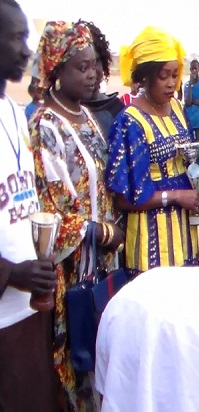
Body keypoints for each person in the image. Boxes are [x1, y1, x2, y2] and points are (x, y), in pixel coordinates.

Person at [30, 20, 125, 410]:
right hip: (72, 268)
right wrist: (104, 232)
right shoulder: (45, 125)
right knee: (77, 358)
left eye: (94, 66)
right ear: (56, 69)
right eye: (80, 67)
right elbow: (52, 207)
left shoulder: (87, 116)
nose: (92, 74)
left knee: (106, 356)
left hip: (103, 263)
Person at [0, 1, 59, 409]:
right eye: (18, 37)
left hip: (29, 308)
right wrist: (12, 273)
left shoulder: (15, 113)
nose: (28, 50)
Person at [106, 26, 199, 277]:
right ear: (145, 78)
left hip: (185, 234)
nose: (172, 83)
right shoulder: (131, 121)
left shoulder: (179, 110)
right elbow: (124, 198)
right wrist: (177, 196)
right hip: (149, 243)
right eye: (163, 76)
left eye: (175, 74)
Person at [78, 20, 124, 138]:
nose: (91, 73)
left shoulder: (117, 110)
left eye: (95, 62)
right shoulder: (56, 117)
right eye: (83, 65)